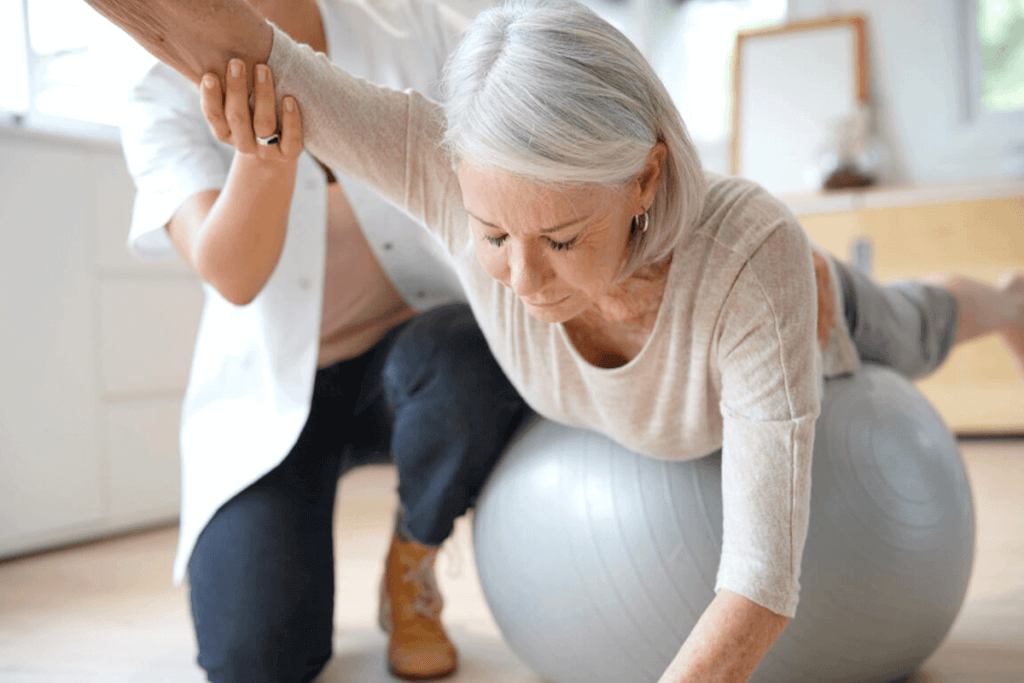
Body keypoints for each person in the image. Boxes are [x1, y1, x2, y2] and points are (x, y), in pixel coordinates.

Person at [91, 0, 1024, 681]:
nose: (523, 281)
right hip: (287, 387)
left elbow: (760, 585)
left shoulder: (752, 261)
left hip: (796, 297)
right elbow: (253, 54)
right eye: (494, 239)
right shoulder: (442, 167)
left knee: (918, 325)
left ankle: (1009, 300)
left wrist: (776, 277)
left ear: (645, 179)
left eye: (563, 240)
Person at [117, 1, 526, 682]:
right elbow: (235, 275)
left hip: (417, 360)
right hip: (272, 396)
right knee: (258, 662)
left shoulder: (412, 23)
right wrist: (264, 158)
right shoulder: (157, 91)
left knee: (467, 358)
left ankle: (412, 562)